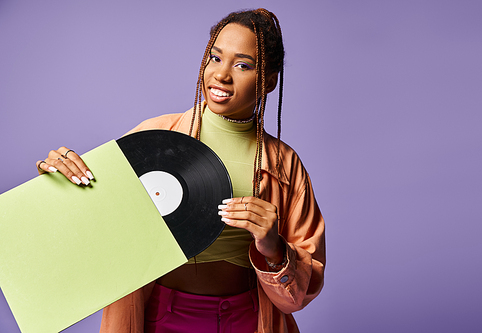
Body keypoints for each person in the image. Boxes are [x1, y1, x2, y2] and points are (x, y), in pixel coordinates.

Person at [36, 8, 325, 333]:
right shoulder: (153, 137)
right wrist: (58, 186)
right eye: (215, 58)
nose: (222, 74)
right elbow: (94, 225)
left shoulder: (285, 166)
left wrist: (273, 247)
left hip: (248, 319)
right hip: (161, 317)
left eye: (243, 65)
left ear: (269, 82)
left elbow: (298, 296)